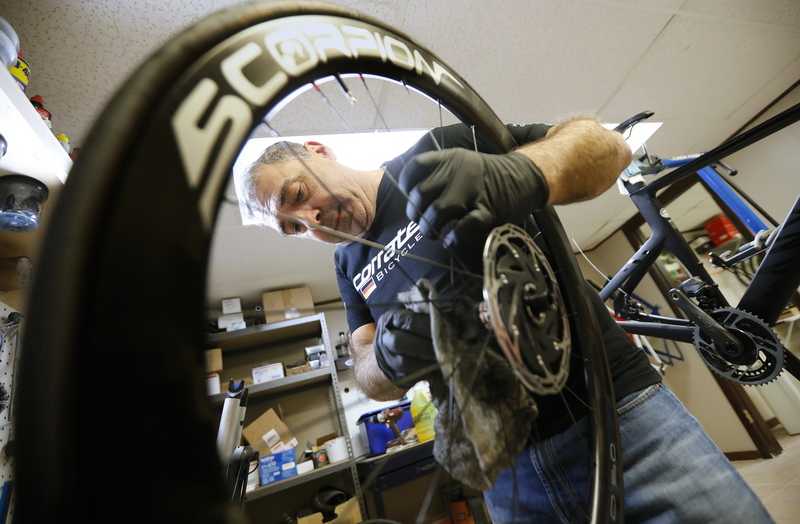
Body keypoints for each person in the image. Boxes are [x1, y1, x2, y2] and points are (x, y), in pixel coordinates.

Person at [241, 118, 773, 523]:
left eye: (296, 195)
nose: (308, 219)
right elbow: (365, 372)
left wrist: (523, 173)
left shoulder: (439, 148)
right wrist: (385, 355)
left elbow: (609, 147)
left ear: (318, 151)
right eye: (292, 227)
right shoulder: (345, 263)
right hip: (510, 480)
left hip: (624, 419)